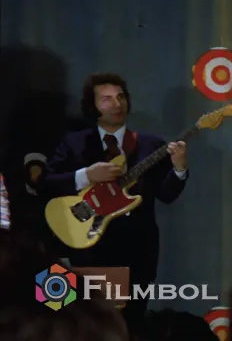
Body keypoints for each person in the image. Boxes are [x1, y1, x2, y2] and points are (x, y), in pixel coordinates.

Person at [39, 73, 189, 331]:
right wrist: (87, 176)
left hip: (136, 253)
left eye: (120, 97)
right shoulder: (74, 142)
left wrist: (179, 169)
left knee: (128, 327)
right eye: (106, 99)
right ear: (92, 106)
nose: (117, 104)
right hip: (81, 252)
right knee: (72, 324)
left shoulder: (151, 145)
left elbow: (167, 195)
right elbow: (46, 184)